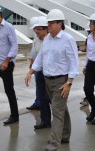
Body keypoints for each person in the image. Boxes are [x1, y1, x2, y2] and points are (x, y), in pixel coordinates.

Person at [25, 9, 79, 151]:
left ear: (59, 24)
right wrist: (30, 71)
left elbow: (74, 63)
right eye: (48, 23)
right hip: (47, 80)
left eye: (51, 23)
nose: (48, 25)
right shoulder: (47, 39)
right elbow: (40, 59)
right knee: (61, 109)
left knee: (56, 111)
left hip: (61, 81)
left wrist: (69, 83)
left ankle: (54, 143)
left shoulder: (68, 39)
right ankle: (65, 135)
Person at [26, 16, 51, 129]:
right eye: (35, 29)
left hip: (51, 73)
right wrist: (31, 68)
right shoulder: (36, 39)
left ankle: (60, 123)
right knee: (43, 96)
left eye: (39, 29)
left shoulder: (51, 40)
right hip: (39, 71)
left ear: (46, 29)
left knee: (52, 98)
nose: (36, 31)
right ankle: (45, 121)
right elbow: (36, 54)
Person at [26, 16, 41, 111]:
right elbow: (33, 51)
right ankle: (38, 102)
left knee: (42, 87)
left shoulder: (44, 38)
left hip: (41, 66)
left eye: (36, 28)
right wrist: (31, 62)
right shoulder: (36, 37)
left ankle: (41, 103)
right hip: (36, 65)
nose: (35, 31)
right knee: (38, 86)